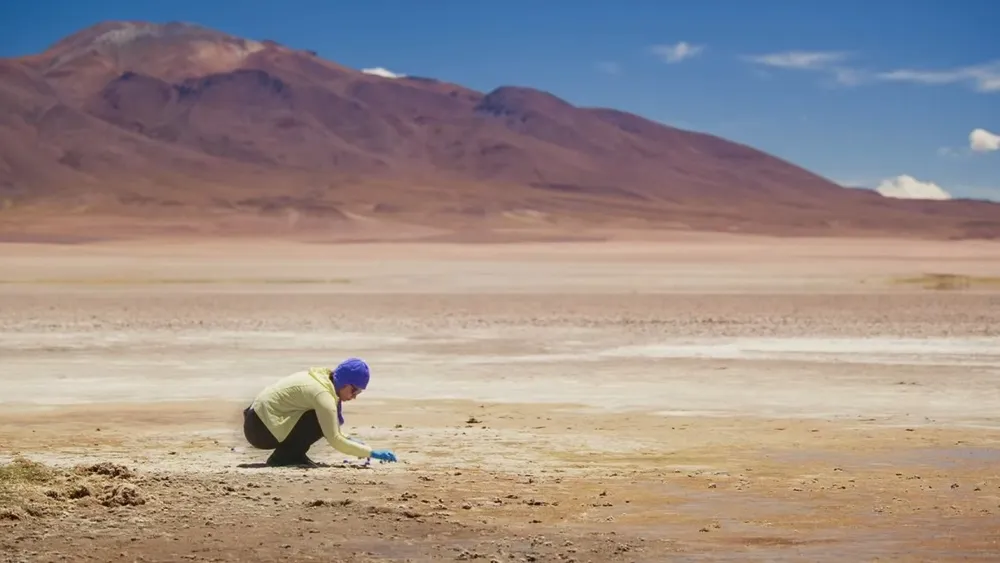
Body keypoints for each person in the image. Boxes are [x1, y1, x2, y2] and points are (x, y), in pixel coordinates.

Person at [242, 357, 398, 467]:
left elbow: (334, 429)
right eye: (354, 391)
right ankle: (284, 457)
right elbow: (334, 438)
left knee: (323, 417)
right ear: (344, 383)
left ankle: (294, 455)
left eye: (358, 393)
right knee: (319, 418)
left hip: (255, 420)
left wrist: (351, 440)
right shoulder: (323, 395)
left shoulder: (323, 379)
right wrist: (371, 453)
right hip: (259, 430)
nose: (354, 397)